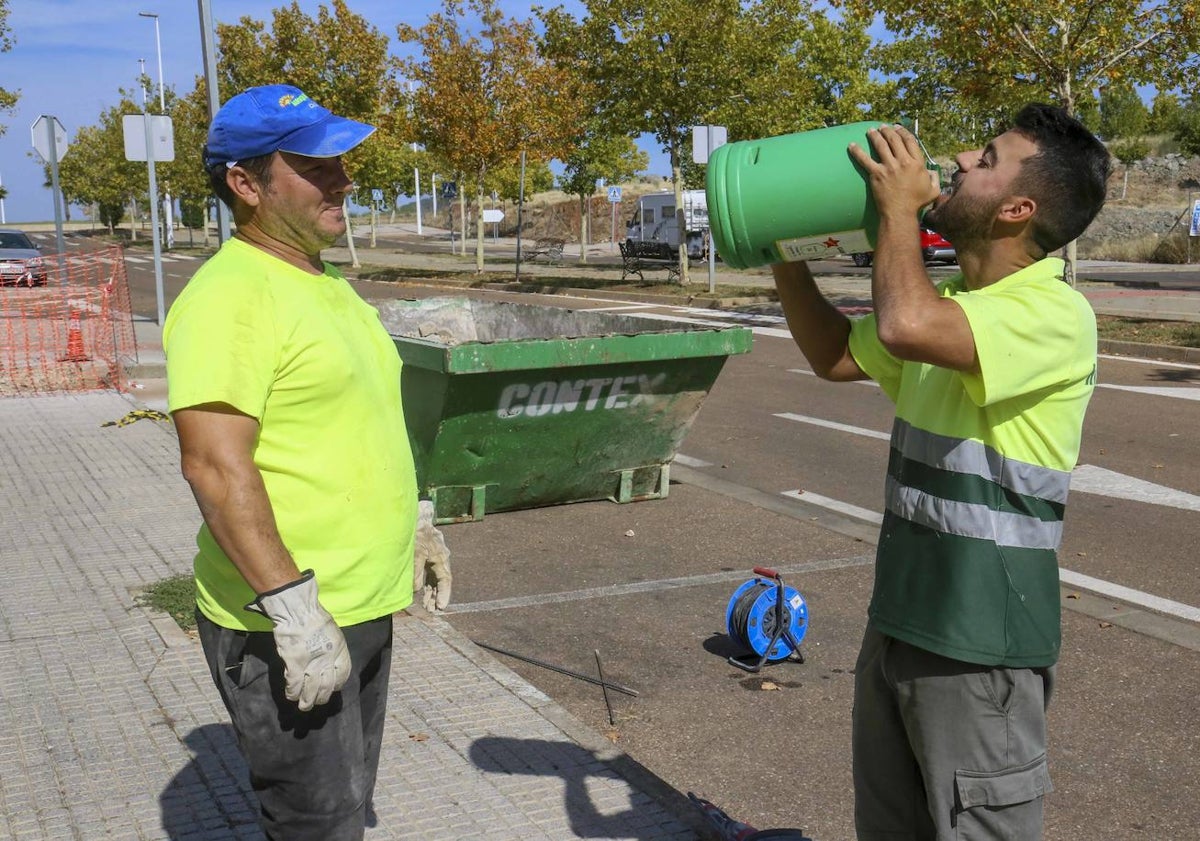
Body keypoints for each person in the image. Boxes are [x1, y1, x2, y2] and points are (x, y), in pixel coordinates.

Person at [771, 104, 1111, 840]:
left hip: (979, 648)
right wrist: (781, 245)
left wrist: (897, 210)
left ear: (1019, 210)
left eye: (987, 158)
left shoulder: (1055, 314)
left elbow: (904, 325)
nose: (959, 157)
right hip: (898, 627)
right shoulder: (951, 303)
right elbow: (835, 355)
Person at [163, 84, 421, 840]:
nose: (343, 179)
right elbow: (213, 465)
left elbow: (358, 419)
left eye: (340, 160)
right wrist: (294, 610)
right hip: (289, 626)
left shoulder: (322, 280)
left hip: (361, 604)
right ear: (245, 185)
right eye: (315, 166)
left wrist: (413, 515)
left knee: (347, 804)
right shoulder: (231, 297)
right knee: (320, 825)